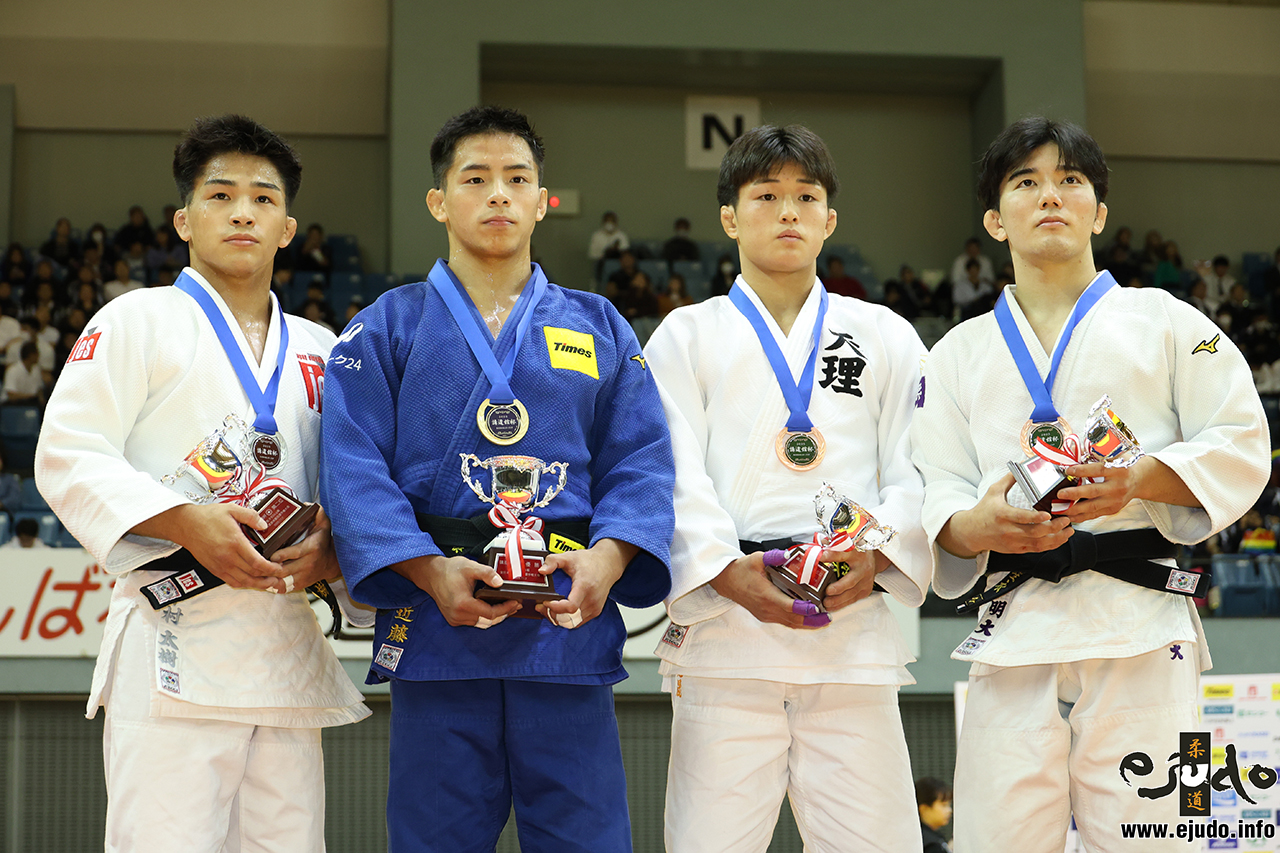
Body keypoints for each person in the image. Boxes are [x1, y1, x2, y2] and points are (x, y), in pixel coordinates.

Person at [319, 105, 674, 853]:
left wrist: (607, 560)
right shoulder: (386, 324)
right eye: (475, 178)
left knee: (588, 840)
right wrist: (425, 566)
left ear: (543, 200)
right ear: (438, 202)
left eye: (518, 179)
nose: (499, 195)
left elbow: (640, 458)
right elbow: (352, 464)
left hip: (564, 626)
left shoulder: (599, 323)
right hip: (438, 624)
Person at [910, 116, 1269, 851]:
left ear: (1099, 211)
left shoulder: (1170, 322)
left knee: (1163, 834)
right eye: (1026, 182)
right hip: (1011, 629)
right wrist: (974, 527)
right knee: (993, 841)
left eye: (1071, 180)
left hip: (1146, 625)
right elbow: (931, 485)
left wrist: (1137, 478)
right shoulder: (954, 353)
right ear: (993, 218)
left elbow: (1242, 440)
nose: (1051, 196)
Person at [33, 114, 370, 852]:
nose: (242, 210)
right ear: (185, 220)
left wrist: (336, 552)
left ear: (288, 227)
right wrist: (185, 520)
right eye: (220, 196)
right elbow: (67, 452)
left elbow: (360, 482)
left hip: (283, 644)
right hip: (172, 637)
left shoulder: (327, 350)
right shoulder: (135, 320)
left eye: (263, 197)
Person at [645, 123, 929, 852]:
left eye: (807, 195)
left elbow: (919, 464)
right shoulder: (684, 335)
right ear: (729, 217)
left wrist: (879, 557)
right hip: (726, 637)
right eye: (766, 195)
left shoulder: (887, 333)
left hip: (853, 631)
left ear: (830, 219)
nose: (789, 210)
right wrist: (722, 570)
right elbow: (668, 467)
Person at [915, 777, 953, 853]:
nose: (949, 810)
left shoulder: (935, 838)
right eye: (944, 805)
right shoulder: (930, 844)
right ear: (924, 809)